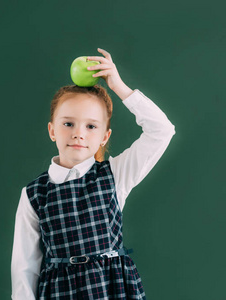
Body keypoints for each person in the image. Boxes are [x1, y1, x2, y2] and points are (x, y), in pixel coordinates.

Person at [11, 48, 176, 299]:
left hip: (113, 289)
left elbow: (162, 131)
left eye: (91, 126)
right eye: (68, 124)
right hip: (59, 292)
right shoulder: (34, 194)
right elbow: (25, 268)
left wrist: (118, 86)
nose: (79, 133)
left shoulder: (115, 175)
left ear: (104, 137)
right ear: (52, 130)